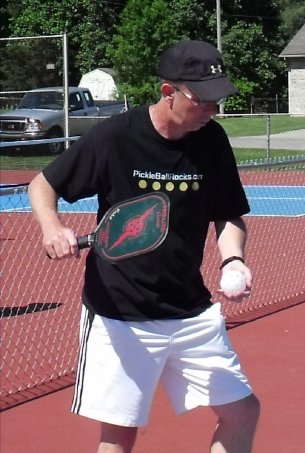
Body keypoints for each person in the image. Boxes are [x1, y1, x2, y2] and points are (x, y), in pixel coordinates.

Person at [28, 40, 260, 453]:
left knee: (243, 411)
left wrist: (234, 261)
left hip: (191, 310)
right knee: (119, 436)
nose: (211, 110)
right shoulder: (116, 137)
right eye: (202, 99)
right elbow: (43, 184)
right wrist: (52, 227)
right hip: (121, 315)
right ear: (169, 92)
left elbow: (227, 213)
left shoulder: (213, 141)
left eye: (217, 100)